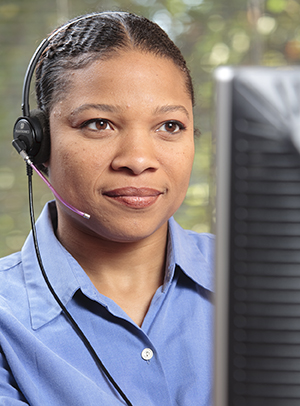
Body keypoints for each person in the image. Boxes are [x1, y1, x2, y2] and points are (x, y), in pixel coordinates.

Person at [0, 11, 214, 405]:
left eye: (169, 126)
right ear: (39, 146)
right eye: (99, 124)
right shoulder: (5, 316)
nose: (137, 159)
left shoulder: (266, 275)